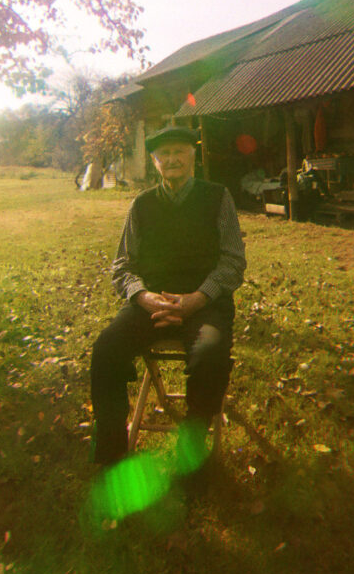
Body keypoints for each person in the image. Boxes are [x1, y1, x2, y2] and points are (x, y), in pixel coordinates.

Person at [90, 125, 247, 469]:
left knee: (210, 355)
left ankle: (191, 452)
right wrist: (143, 296)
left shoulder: (217, 197)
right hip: (152, 304)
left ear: (193, 156)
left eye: (179, 151)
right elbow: (122, 265)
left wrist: (197, 299)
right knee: (106, 350)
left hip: (205, 304)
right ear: (155, 161)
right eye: (165, 154)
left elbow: (233, 261)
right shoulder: (142, 205)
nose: (172, 159)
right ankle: (111, 451)